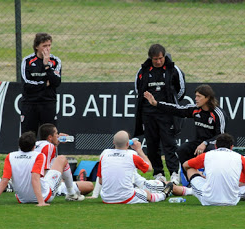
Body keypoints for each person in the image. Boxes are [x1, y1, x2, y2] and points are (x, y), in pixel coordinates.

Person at [144, 84, 226, 183]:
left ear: (208, 98)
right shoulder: (195, 109)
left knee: (209, 151)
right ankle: (191, 181)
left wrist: (205, 143)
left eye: (199, 96)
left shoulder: (217, 113)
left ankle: (212, 181)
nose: (196, 99)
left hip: (213, 144)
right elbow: (176, 109)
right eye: (195, 96)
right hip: (198, 143)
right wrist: (156, 103)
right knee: (182, 150)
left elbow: (221, 136)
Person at [134, 43, 186, 184]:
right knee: (152, 144)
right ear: (151, 58)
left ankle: (174, 173)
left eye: (160, 58)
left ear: (164, 56)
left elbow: (181, 91)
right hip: (148, 114)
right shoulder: (143, 70)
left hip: (167, 113)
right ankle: (158, 174)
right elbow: (138, 91)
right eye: (155, 59)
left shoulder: (173, 69)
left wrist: (170, 104)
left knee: (169, 143)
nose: (158, 61)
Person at [0, 132, 73, 206]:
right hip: (45, 195)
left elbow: (4, 180)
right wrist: (41, 202)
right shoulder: (39, 156)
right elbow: (35, 177)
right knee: (61, 159)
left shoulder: (10, 156)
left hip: (21, 199)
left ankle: (69, 191)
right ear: (34, 146)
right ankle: (72, 193)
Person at [183, 133, 245, 206]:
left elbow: (185, 165)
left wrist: (197, 173)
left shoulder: (207, 155)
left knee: (190, 169)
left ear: (216, 146)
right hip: (232, 200)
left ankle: (185, 190)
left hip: (209, 199)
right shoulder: (240, 157)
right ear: (232, 147)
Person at [97, 130, 173, 204]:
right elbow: (149, 168)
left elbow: (101, 181)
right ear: (128, 144)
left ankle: (183, 190)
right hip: (126, 197)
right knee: (146, 194)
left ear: (113, 142)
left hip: (106, 197)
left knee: (140, 189)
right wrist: (139, 150)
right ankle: (163, 195)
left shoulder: (105, 154)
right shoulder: (132, 155)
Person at [35, 123, 94, 200]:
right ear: (50, 137)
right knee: (89, 186)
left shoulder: (37, 144)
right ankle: (71, 193)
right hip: (45, 187)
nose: (58, 136)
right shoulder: (49, 146)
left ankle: (74, 187)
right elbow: (45, 171)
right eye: (56, 133)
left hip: (33, 186)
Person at [21, 32, 62, 135]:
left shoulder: (55, 61)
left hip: (48, 103)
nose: (47, 49)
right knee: (28, 135)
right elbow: (27, 84)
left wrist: (46, 65)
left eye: (49, 45)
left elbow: (56, 82)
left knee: (50, 136)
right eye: (44, 46)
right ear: (36, 47)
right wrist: (44, 84)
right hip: (30, 103)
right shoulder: (27, 61)